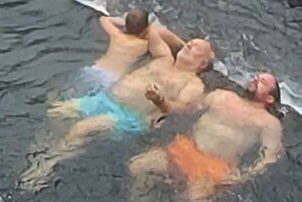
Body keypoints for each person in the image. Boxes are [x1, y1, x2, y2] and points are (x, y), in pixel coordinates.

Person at [22, 38, 215, 190]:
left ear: (203, 62)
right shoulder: (164, 58)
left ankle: (47, 165)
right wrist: (181, 44)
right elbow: (153, 28)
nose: (190, 43)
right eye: (190, 42)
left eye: (196, 46)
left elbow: (178, 108)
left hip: (129, 116)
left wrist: (159, 99)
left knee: (83, 128)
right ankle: (45, 148)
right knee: (57, 112)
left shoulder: (193, 84)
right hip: (103, 100)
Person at [129, 71, 284, 202]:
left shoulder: (268, 122)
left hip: (213, 168)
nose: (255, 79)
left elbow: (268, 157)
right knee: (136, 166)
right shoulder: (221, 95)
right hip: (186, 148)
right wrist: (160, 101)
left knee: (192, 200)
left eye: (262, 82)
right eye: (256, 76)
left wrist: (242, 177)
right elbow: (184, 109)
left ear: (270, 98)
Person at [78, 4, 184, 94]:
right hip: (112, 78)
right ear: (145, 30)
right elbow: (162, 54)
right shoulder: (144, 43)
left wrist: (125, 23)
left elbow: (104, 19)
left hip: (95, 69)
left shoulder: (117, 35)